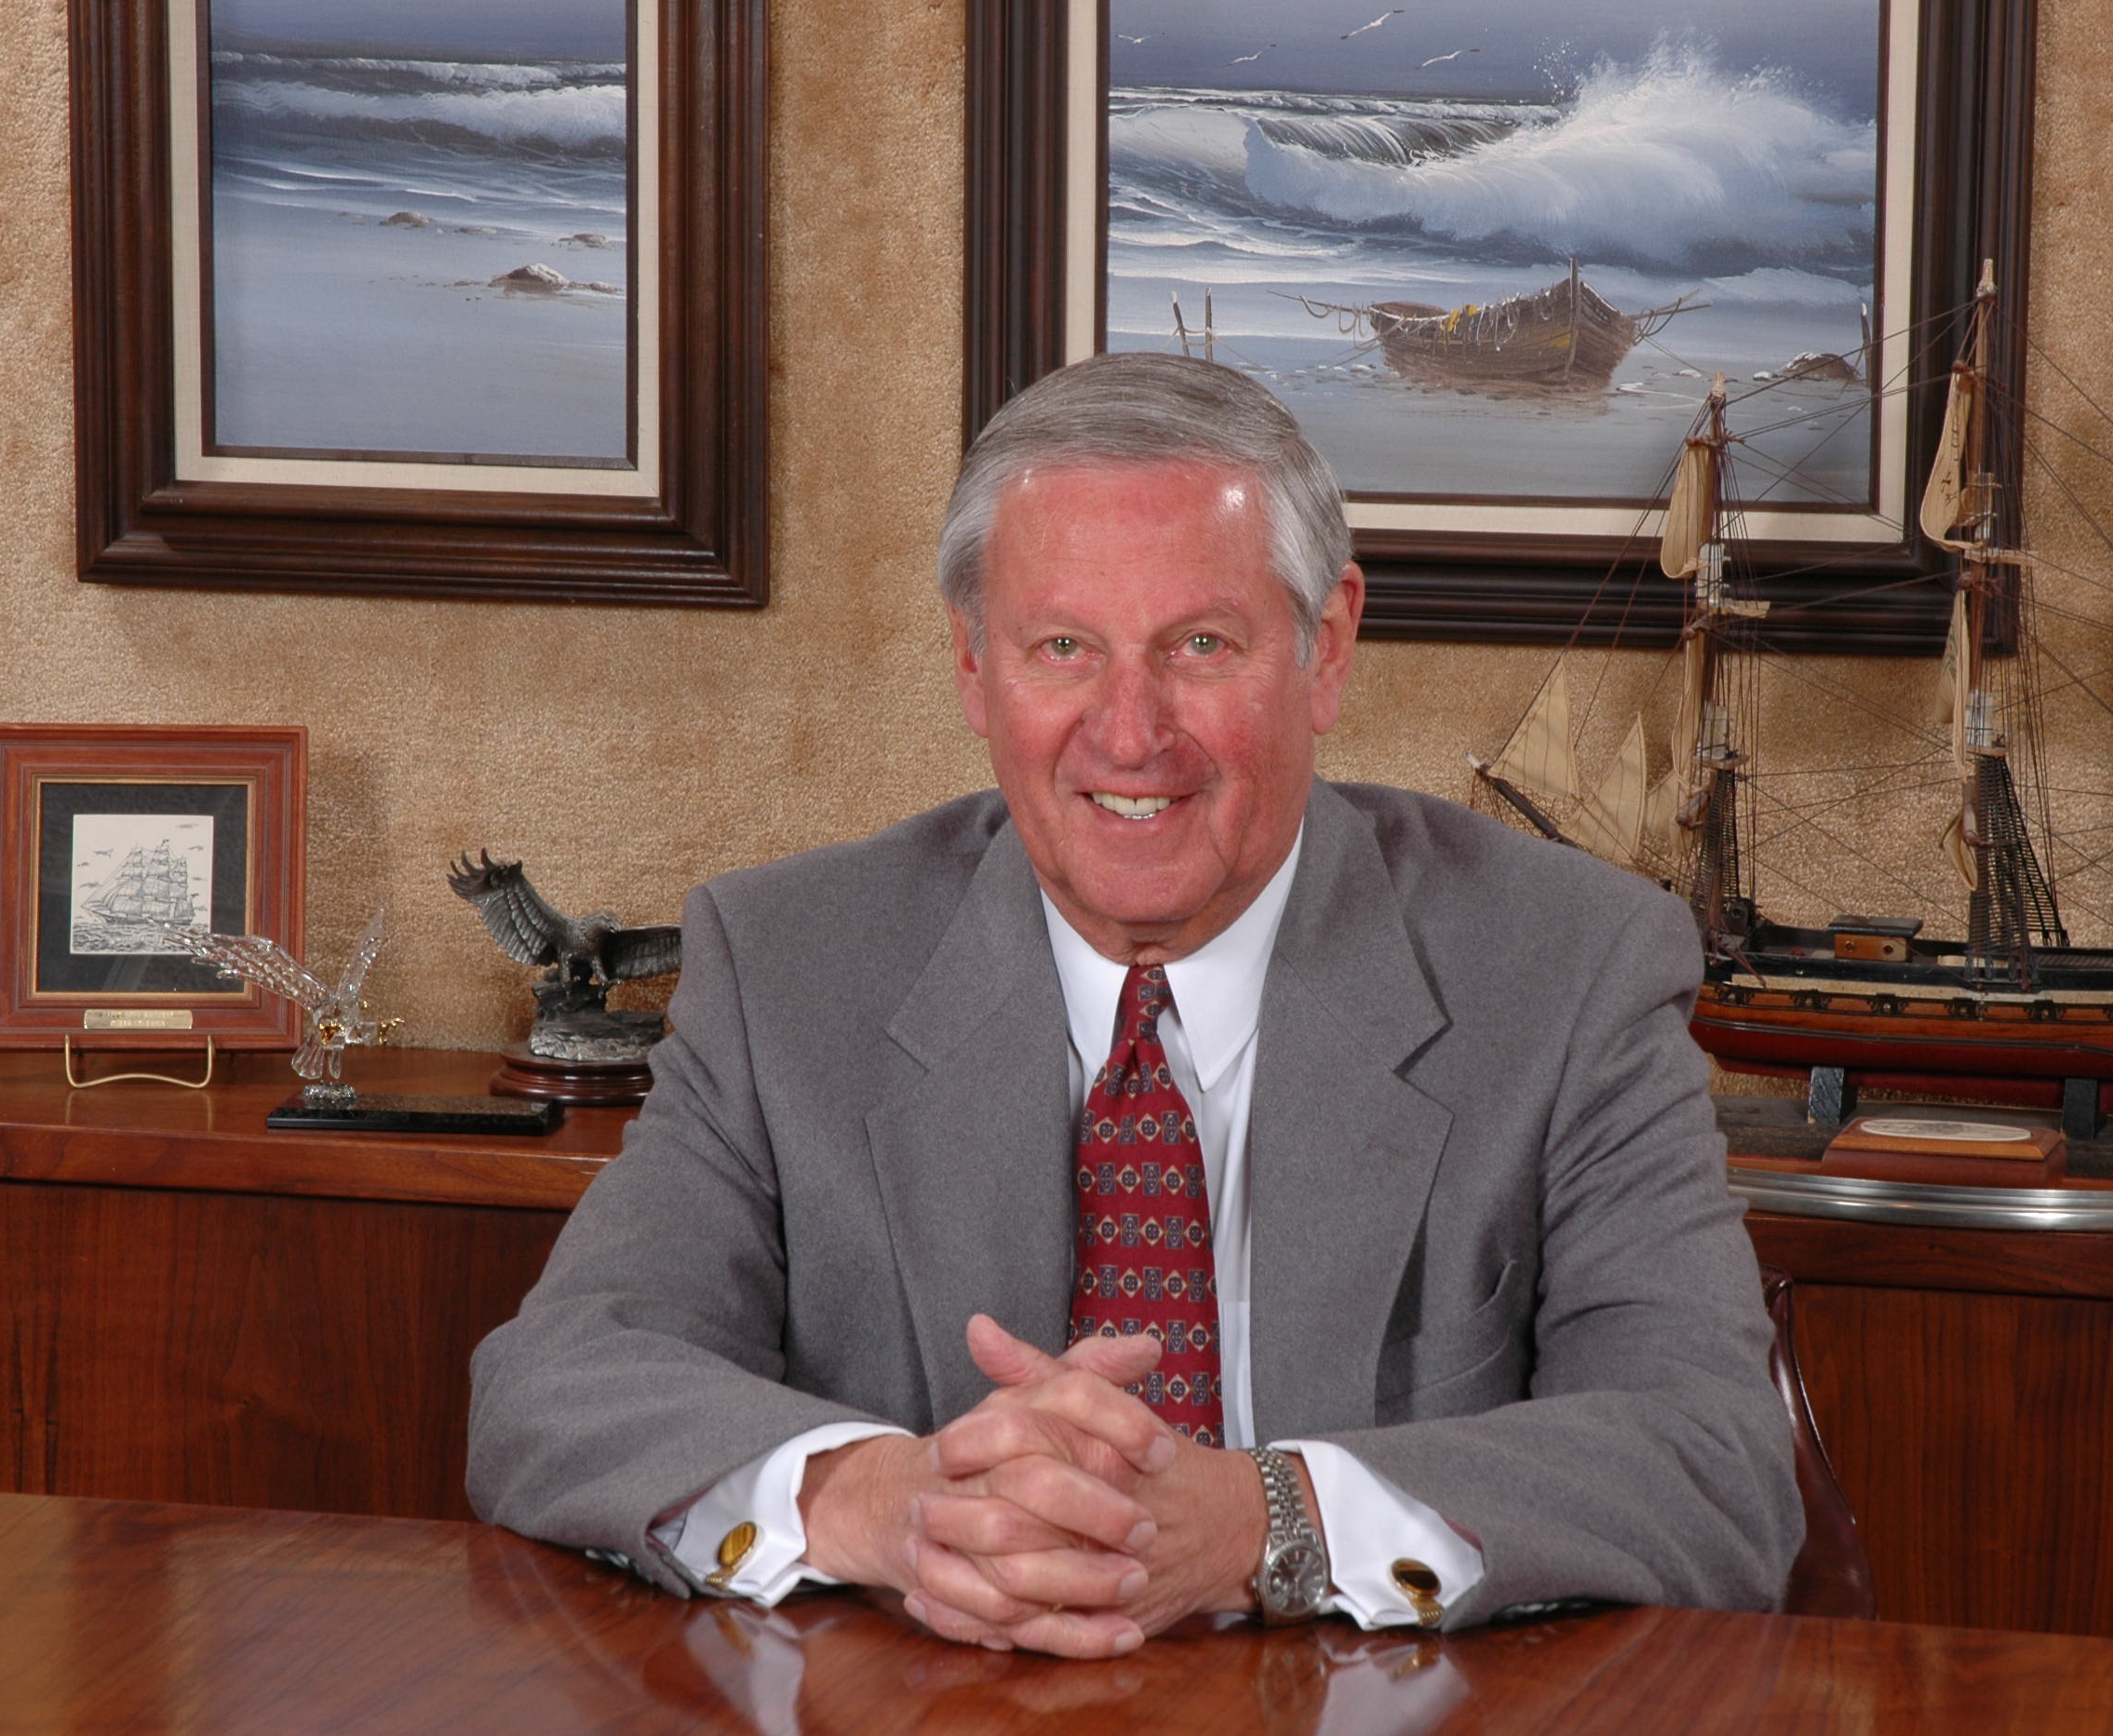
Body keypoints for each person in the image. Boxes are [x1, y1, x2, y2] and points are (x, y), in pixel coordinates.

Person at [467, 352, 1802, 1658]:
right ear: (974, 665)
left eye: (1200, 646)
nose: (1128, 733)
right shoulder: (791, 966)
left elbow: (1712, 1467)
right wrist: (881, 1502)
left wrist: (1262, 1522)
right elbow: (559, 1383)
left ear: (1327, 647)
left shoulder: (1569, 969)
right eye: (1063, 648)